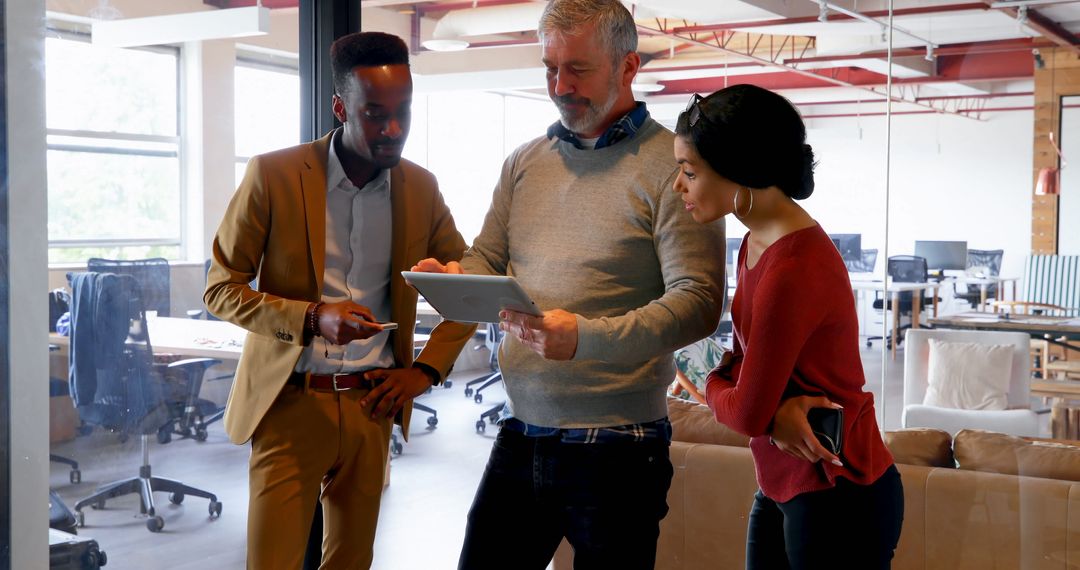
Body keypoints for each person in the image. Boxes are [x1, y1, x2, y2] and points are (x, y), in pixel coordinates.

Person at [414, 1, 725, 568]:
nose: (560, 86)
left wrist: (585, 337)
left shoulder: (674, 166)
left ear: (628, 67)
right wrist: (455, 279)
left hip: (621, 444)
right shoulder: (524, 162)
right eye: (550, 68)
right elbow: (488, 257)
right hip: (522, 429)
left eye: (578, 69)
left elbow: (698, 303)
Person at [204, 31, 475, 569]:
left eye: (403, 112)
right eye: (375, 114)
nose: (393, 130)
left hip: (373, 405)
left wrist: (424, 372)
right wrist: (310, 317)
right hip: (289, 404)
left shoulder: (420, 188)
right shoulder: (274, 175)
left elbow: (472, 287)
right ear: (340, 107)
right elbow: (219, 288)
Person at [671, 84, 904, 569]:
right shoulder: (754, 243)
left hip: (838, 491)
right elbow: (747, 368)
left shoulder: (792, 269)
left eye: (690, 172)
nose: (680, 187)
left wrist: (708, 379)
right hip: (784, 478)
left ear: (740, 170)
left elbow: (747, 410)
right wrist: (744, 393)